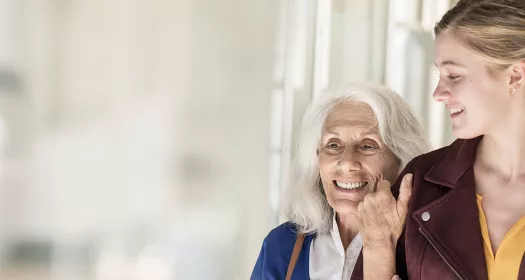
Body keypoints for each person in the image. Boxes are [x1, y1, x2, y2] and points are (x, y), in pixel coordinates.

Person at [360, 0, 525, 279]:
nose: (438, 93)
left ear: (515, 75)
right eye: (440, 75)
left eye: (454, 75)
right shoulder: (420, 182)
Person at [251, 84, 429, 279]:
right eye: (333, 145)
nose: (346, 163)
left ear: (402, 160)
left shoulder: (428, 249)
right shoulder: (281, 246)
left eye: (368, 146)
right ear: (316, 158)